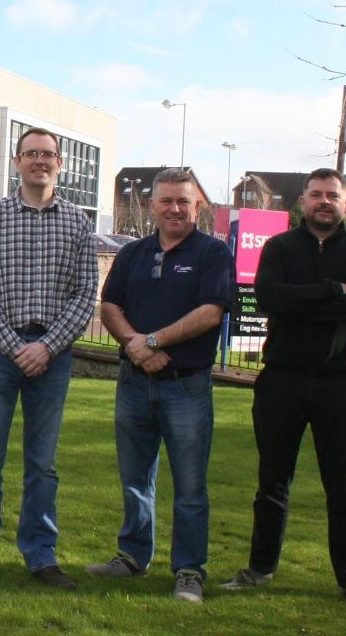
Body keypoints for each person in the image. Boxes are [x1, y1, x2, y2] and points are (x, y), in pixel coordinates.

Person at [221, 168, 346, 613]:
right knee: (272, 482)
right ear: (303, 201)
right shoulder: (279, 247)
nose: (324, 201)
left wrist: (302, 301)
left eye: (332, 195)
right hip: (282, 380)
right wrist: (332, 292)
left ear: (345, 202)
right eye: (316, 194)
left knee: (344, 489)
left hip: (341, 383)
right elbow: (269, 298)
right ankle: (259, 568)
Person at [0, 127, 96, 588]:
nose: (39, 161)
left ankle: (40, 553)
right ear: (17, 162)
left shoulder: (78, 222)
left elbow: (85, 292)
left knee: (43, 464)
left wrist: (46, 346)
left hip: (53, 353)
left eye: (48, 154)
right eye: (30, 153)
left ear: (60, 164)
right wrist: (14, 346)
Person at [85, 168, 235, 603]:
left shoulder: (212, 253)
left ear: (197, 206)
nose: (174, 209)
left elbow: (211, 312)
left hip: (186, 387)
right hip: (134, 382)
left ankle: (189, 570)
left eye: (183, 201)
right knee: (135, 480)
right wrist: (136, 346)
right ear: (152, 206)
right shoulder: (133, 252)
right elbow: (109, 305)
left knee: (190, 487)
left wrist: (152, 341)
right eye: (166, 201)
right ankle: (133, 556)